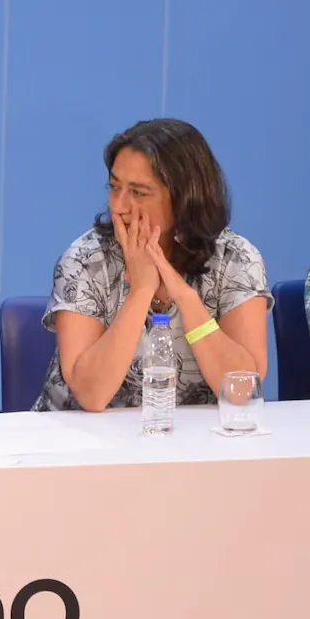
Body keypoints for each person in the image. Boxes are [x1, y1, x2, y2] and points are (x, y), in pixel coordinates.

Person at [34, 118, 271, 412]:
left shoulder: (235, 259)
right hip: (79, 435)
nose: (119, 206)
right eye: (114, 187)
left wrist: (185, 298)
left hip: (194, 436)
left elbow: (242, 391)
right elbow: (92, 395)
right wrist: (141, 290)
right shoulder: (85, 260)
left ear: (185, 198)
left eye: (138, 192)